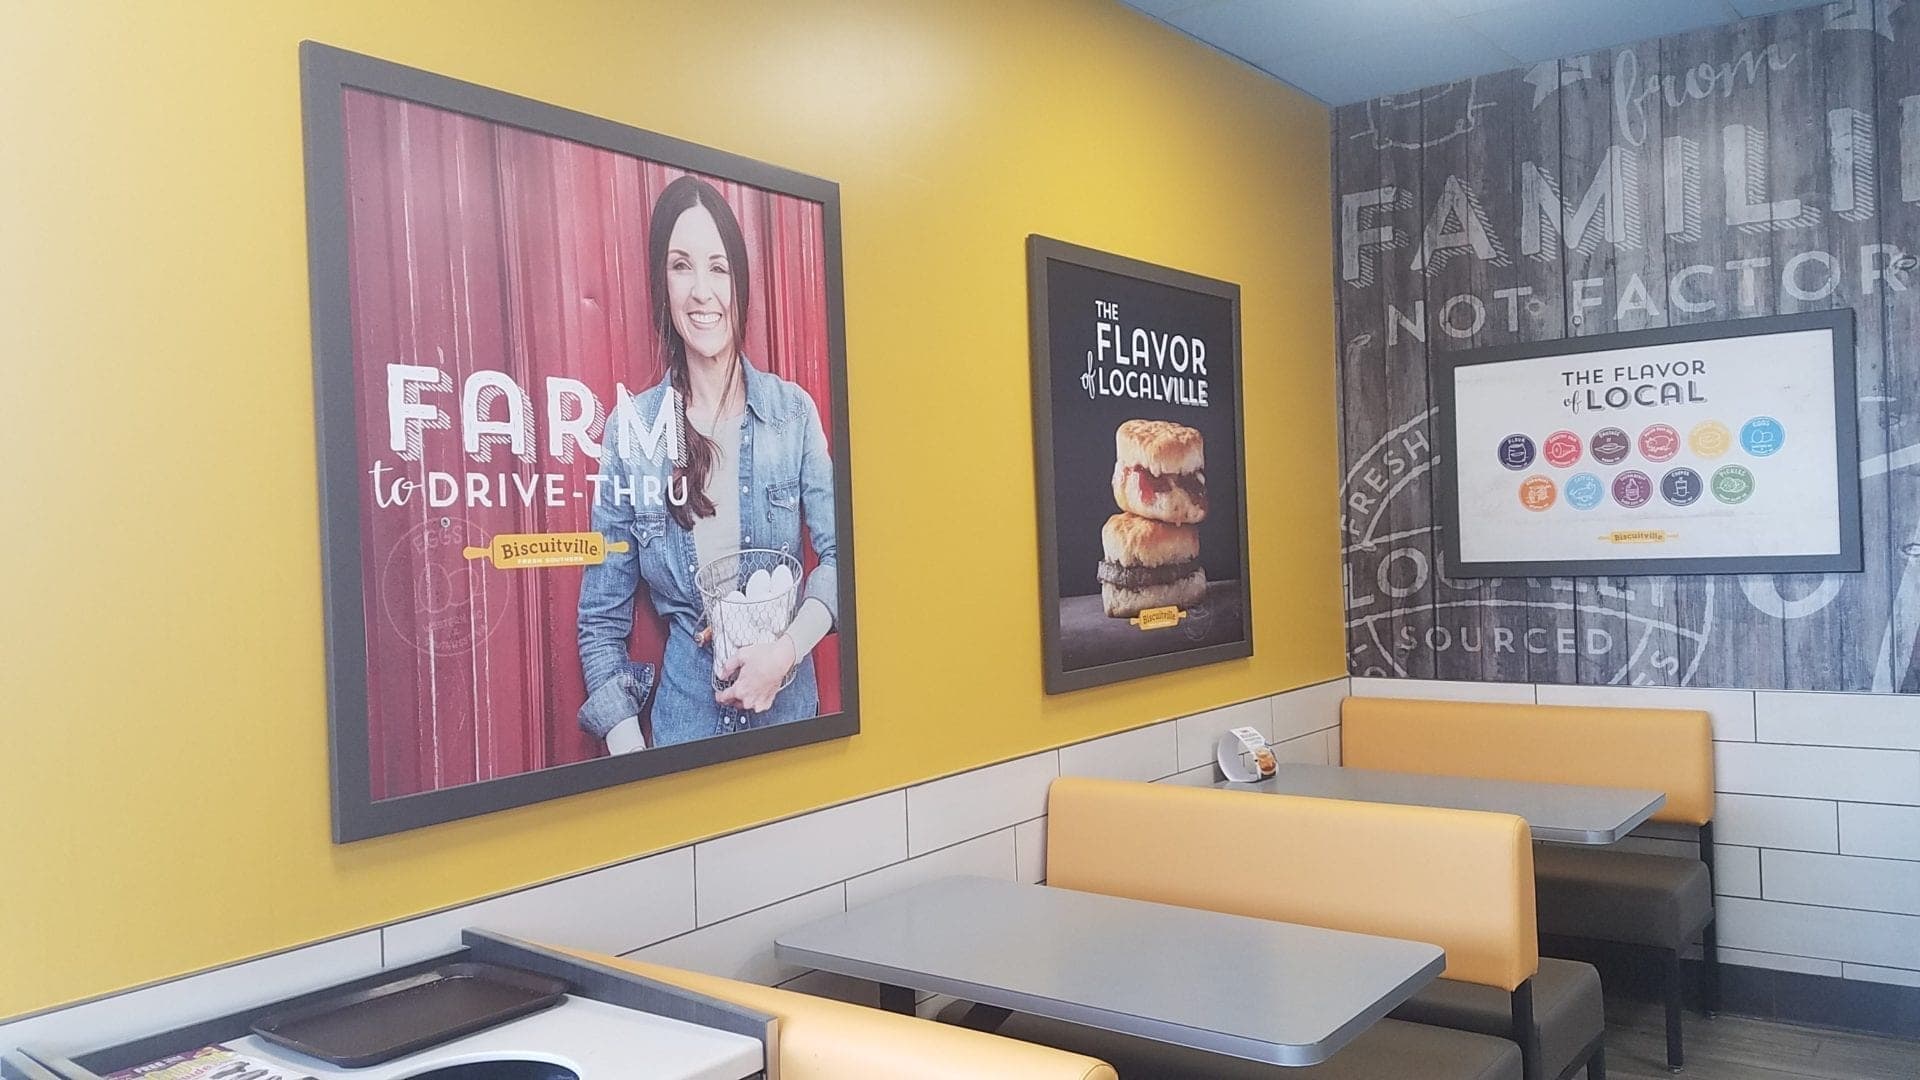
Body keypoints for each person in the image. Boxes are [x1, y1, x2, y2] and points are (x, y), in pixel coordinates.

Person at [576, 174, 838, 751]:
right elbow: (600, 621)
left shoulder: (791, 414)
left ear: (739, 283)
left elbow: (846, 558)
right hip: (683, 730)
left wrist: (786, 651)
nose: (701, 291)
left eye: (718, 267)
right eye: (680, 265)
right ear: (660, 284)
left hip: (790, 722)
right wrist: (633, 757)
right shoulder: (630, 433)